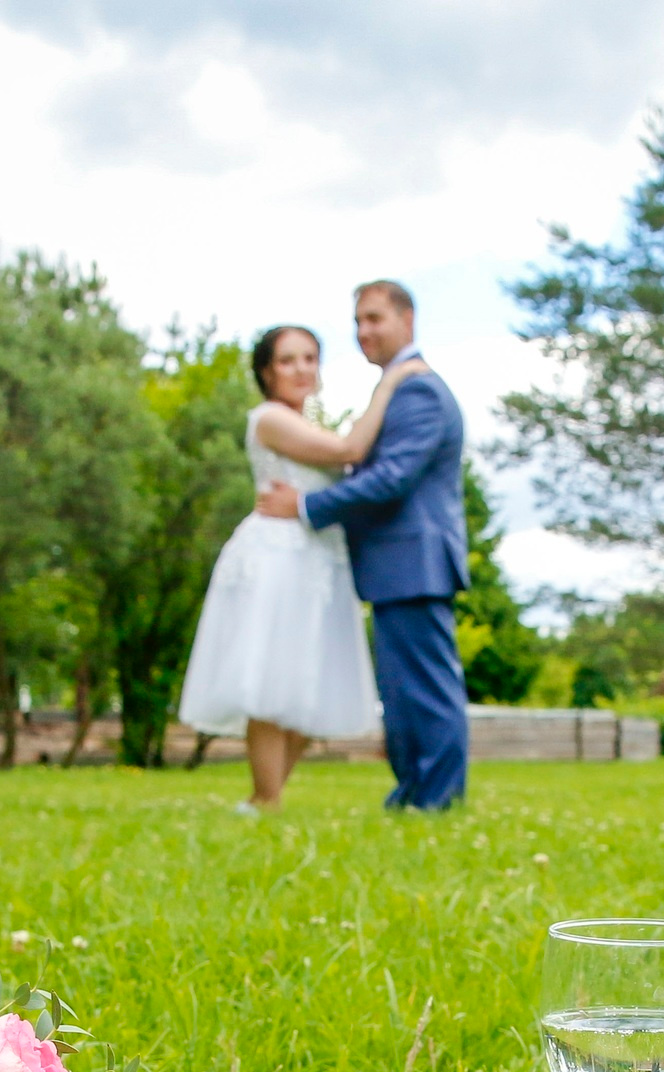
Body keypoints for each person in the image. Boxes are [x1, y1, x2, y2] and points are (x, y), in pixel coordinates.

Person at [178, 324, 427, 812]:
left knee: (305, 685)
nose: (301, 369)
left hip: (318, 558)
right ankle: (264, 798)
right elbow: (348, 453)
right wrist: (388, 385)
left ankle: (264, 799)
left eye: (310, 358)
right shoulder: (269, 419)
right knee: (270, 679)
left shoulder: (309, 423)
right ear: (267, 371)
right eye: (288, 360)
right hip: (276, 558)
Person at [255, 280, 469, 812]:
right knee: (402, 694)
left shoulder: (417, 389)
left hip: (416, 559)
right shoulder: (397, 388)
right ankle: (414, 794)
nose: (364, 331)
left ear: (408, 320)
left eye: (375, 319)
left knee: (425, 690)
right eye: (358, 322)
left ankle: (437, 799)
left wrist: (305, 508)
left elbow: (391, 477)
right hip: (396, 564)